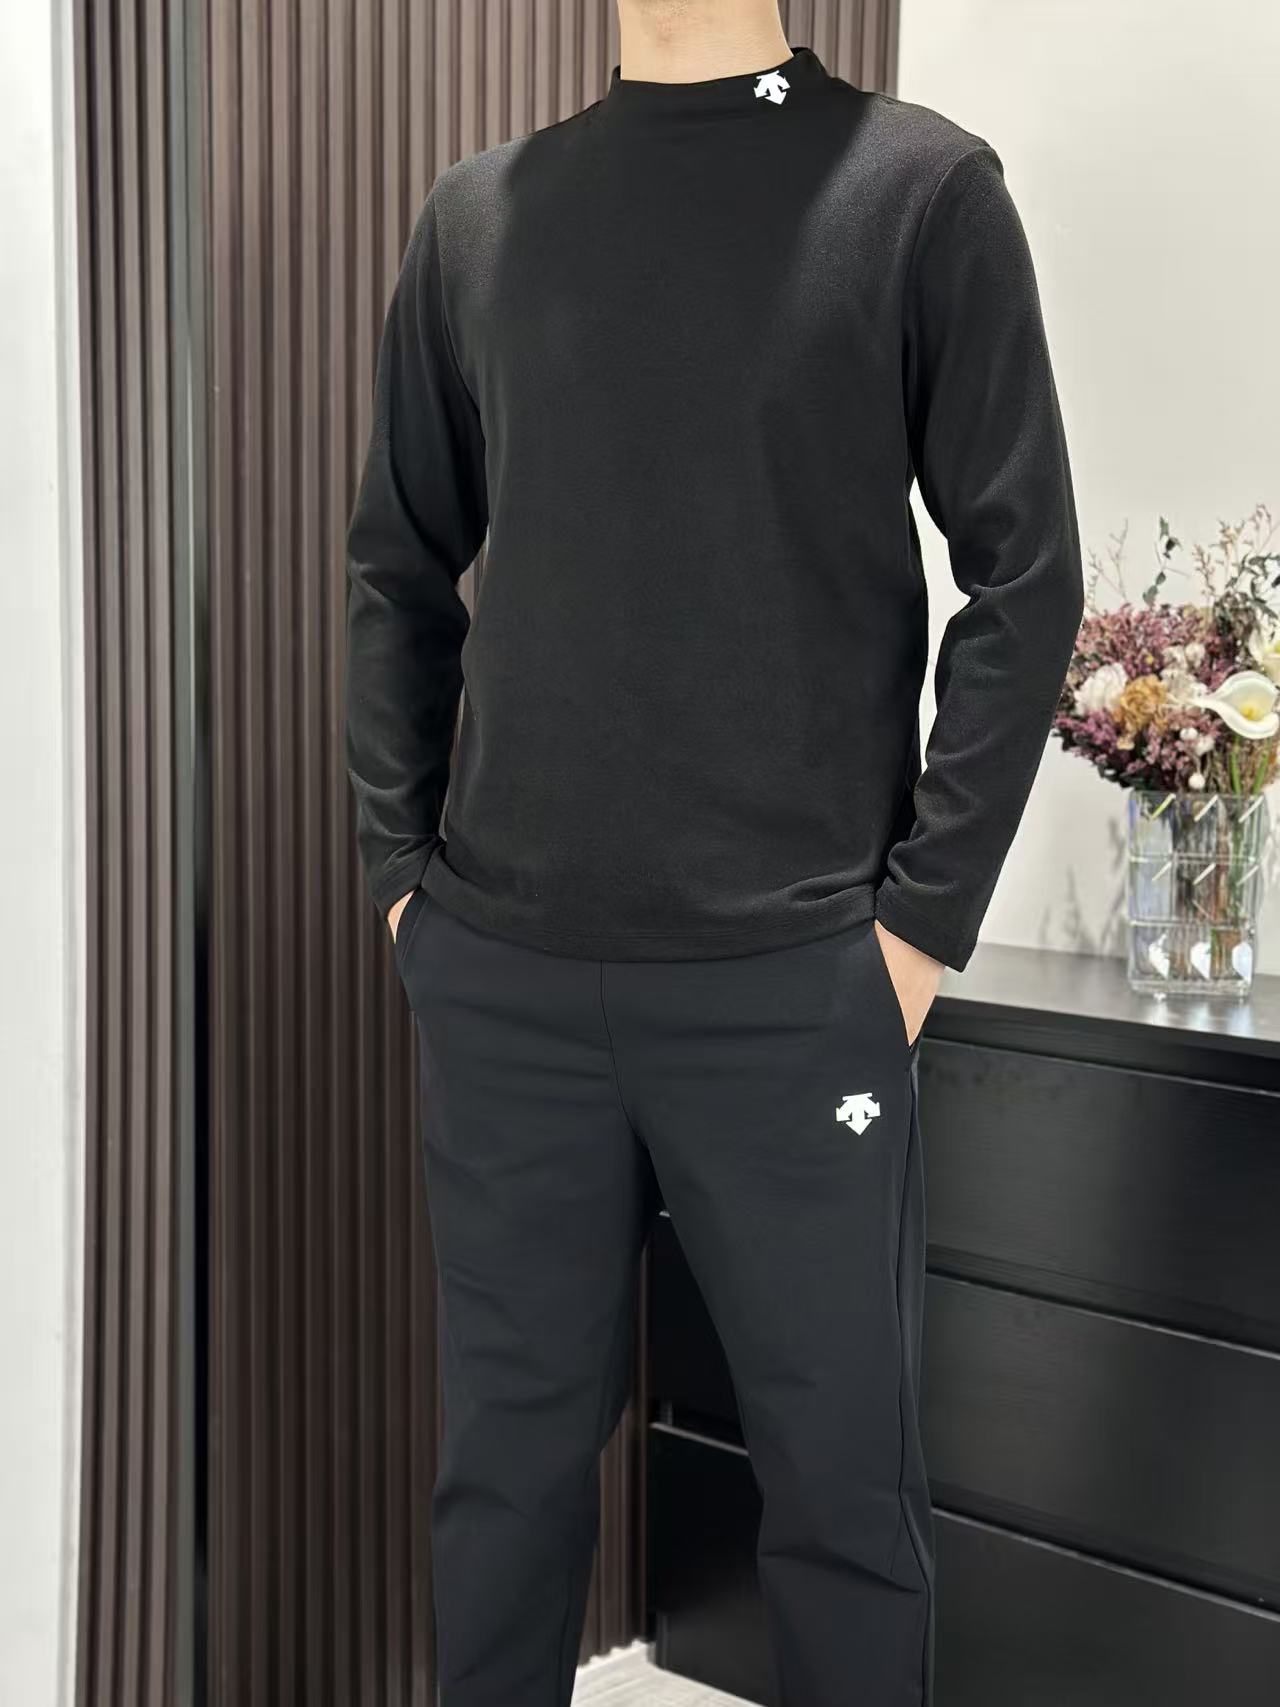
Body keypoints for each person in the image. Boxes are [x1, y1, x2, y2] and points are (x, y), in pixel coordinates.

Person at [344, 1, 1083, 1701]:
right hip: (507, 984)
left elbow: (1025, 575)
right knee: (503, 1490)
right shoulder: (478, 218)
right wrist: (404, 884)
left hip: (797, 991)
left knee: (843, 1501)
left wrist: (917, 934)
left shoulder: (919, 192)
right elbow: (397, 567)